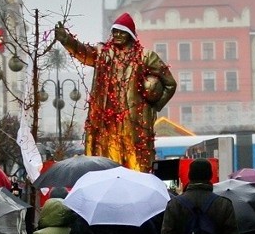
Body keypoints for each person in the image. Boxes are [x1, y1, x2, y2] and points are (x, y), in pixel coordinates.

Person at [54, 13, 176, 172]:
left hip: (133, 122)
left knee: (136, 166)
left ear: (130, 34)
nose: (118, 35)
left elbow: (170, 83)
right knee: (105, 165)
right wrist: (67, 40)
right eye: (115, 31)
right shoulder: (102, 53)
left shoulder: (145, 56)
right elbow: (83, 52)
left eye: (122, 32)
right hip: (106, 121)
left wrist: (154, 106)